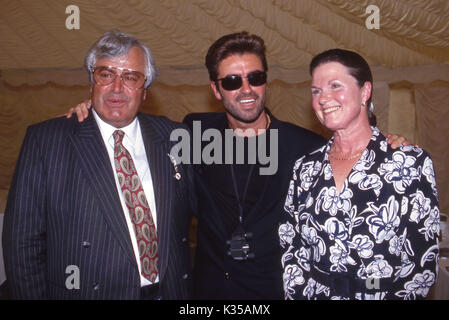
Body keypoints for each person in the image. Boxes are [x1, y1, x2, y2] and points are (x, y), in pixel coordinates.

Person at [67, 32, 409, 300]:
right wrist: (90, 112)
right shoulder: (193, 133)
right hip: (206, 292)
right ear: (216, 89)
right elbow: (133, 125)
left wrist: (387, 143)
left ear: (265, 81)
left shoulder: (305, 147)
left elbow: (351, 153)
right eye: (231, 81)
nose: (245, 89)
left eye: (255, 77)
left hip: (275, 292)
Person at [2, 30, 195, 299]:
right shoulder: (47, 141)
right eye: (106, 74)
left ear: (145, 91)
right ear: (92, 81)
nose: (117, 88)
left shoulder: (174, 138)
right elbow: (22, 244)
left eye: (130, 77)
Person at [279, 48, 440, 300]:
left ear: (365, 92)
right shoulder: (305, 169)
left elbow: (422, 263)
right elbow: (291, 245)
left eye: (335, 85)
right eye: (316, 91)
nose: (323, 98)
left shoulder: (409, 162)